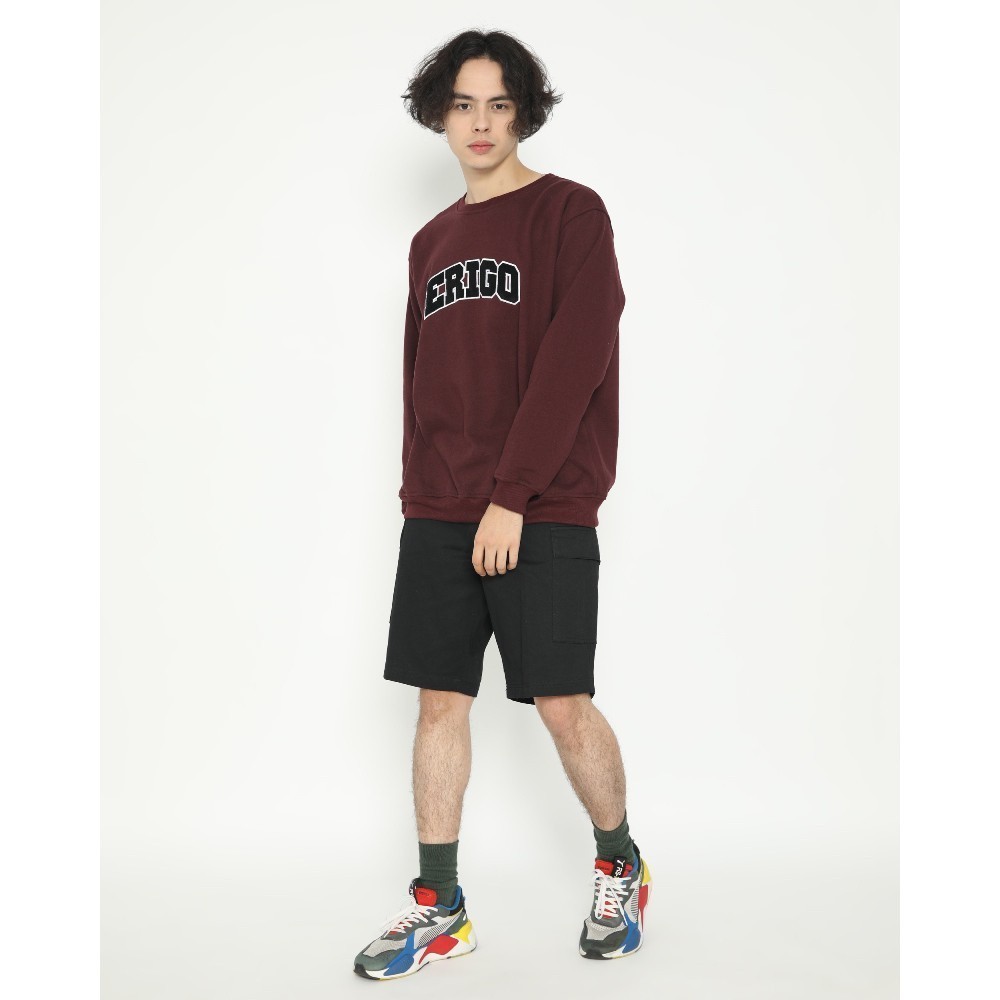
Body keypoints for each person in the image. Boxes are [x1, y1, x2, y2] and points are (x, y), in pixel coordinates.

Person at [353, 28, 651, 981]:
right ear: (439, 115)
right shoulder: (430, 242)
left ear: (523, 113)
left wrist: (513, 495)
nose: (480, 123)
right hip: (440, 509)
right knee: (439, 704)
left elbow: (576, 359)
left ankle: (620, 862)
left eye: (498, 104)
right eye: (462, 105)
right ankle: (440, 906)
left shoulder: (570, 213)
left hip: (543, 505)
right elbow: (420, 379)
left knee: (560, 703)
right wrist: (421, 495)